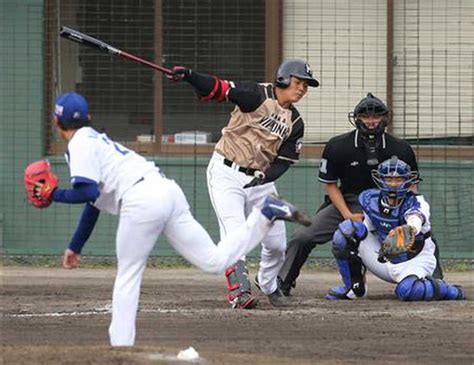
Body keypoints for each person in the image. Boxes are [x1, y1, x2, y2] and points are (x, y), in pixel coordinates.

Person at [33, 91, 311, 346]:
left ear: (57, 124)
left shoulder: (79, 144)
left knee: (128, 276)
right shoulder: (95, 139)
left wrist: (54, 193)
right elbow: (93, 201)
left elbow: (87, 191)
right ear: (89, 118)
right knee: (214, 260)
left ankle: (121, 349)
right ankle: (265, 214)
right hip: (166, 191)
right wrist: (75, 246)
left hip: (140, 201)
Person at [168, 59, 319, 308]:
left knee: (277, 244)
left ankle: (268, 283)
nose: (302, 88)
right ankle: (239, 292)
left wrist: (265, 178)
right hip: (227, 171)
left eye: (307, 85)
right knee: (235, 231)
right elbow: (218, 89)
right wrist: (190, 76)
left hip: (259, 180)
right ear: (282, 78)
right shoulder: (256, 95)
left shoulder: (295, 122)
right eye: (299, 81)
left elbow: (282, 162)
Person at [277, 93, 444, 296]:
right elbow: (330, 185)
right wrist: (347, 214)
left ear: (385, 118)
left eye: (376, 117)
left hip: (393, 203)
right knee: (304, 236)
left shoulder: (401, 148)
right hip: (348, 201)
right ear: (357, 118)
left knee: (424, 233)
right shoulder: (338, 146)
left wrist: (410, 219)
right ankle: (282, 281)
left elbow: (412, 189)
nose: (371, 122)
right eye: (366, 117)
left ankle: (436, 281)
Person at [326, 156, 464, 301]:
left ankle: (450, 290)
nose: (393, 184)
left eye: (398, 180)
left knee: (408, 291)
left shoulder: (417, 202)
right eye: (389, 179)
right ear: (381, 180)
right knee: (347, 232)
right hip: (382, 257)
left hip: (414, 260)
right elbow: (365, 231)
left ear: (407, 181)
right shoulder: (370, 199)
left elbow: (416, 218)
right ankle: (354, 289)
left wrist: (407, 231)